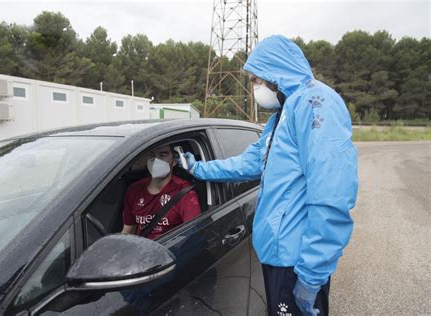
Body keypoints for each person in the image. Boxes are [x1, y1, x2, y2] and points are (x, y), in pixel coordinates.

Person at [180, 35, 358, 316]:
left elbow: (331, 196)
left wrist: (312, 274)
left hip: (296, 261)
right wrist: (198, 169)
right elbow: (250, 162)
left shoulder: (315, 103)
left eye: (254, 80)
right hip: (277, 254)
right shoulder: (283, 113)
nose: (253, 87)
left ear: (274, 74)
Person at [121, 144, 201, 240]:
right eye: (151, 155)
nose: (156, 160)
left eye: (163, 155)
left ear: (174, 161)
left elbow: (192, 234)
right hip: (142, 248)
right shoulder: (134, 189)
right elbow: (128, 230)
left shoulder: (184, 193)